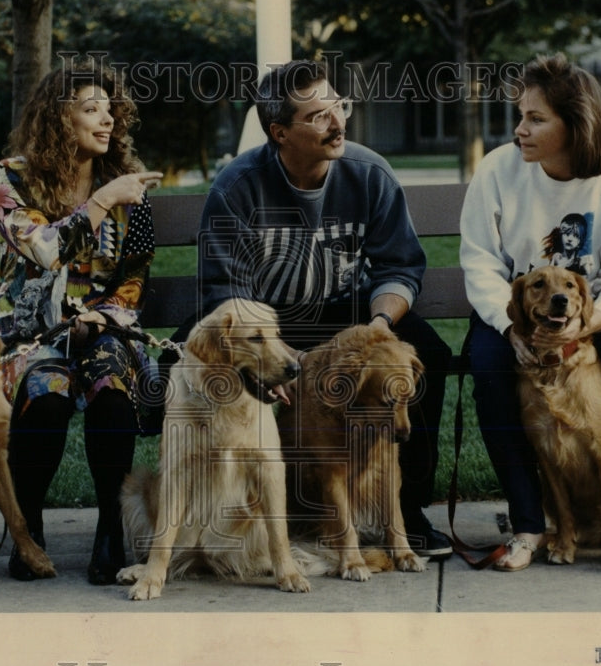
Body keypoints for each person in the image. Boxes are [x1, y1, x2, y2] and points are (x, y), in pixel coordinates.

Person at [168, 59, 453, 559]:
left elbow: (399, 267)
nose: (338, 121)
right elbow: (225, 293)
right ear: (280, 131)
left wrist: (378, 328)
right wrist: (272, 359)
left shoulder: (368, 173)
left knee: (424, 351)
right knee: (187, 357)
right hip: (264, 319)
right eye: (318, 115)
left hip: (346, 312)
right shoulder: (237, 188)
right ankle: (213, 503)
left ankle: (407, 510)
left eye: (338, 106)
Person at [459, 53, 601, 573]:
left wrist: (593, 322)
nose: (520, 129)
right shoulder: (498, 170)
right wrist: (509, 325)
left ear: (576, 124)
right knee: (490, 366)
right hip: (514, 313)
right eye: (520, 115)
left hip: (596, 313)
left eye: (536, 118)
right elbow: (479, 264)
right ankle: (528, 525)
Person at [0, 56, 163, 584]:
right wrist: (103, 201)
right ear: (59, 120)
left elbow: (135, 278)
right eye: (91, 109)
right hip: (29, 329)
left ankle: (111, 528)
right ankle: (27, 529)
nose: (106, 120)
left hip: (103, 329)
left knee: (111, 385)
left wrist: (105, 318)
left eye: (110, 111)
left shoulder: (129, 190)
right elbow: (43, 250)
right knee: (47, 389)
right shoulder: (11, 179)